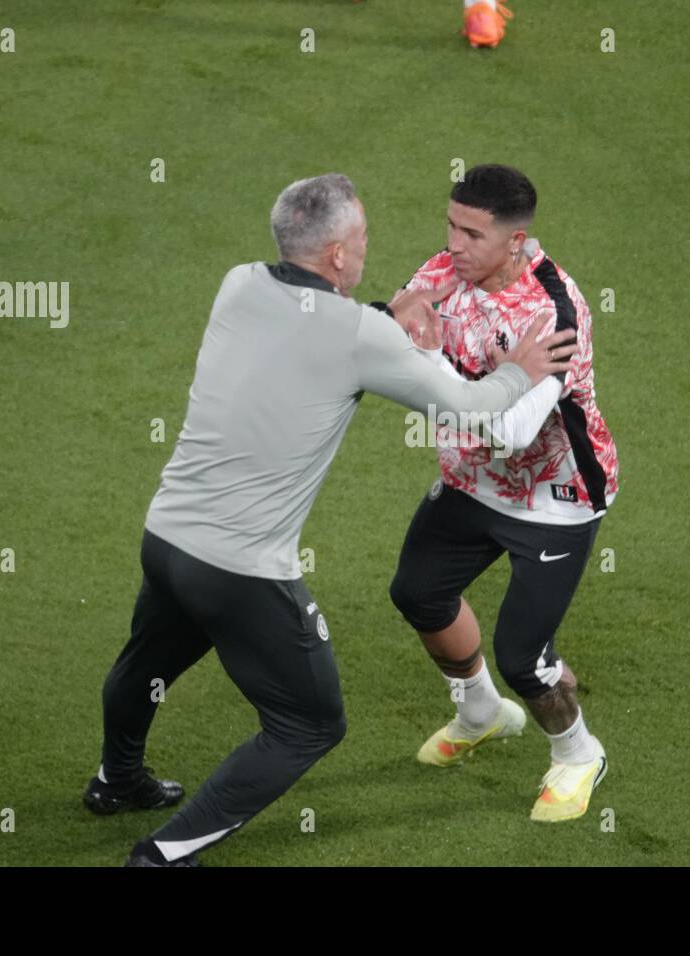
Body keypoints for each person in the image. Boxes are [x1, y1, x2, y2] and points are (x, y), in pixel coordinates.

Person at [82, 173, 578, 865]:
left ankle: (117, 779)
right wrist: (521, 370)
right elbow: (473, 411)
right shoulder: (360, 334)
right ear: (339, 256)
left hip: (167, 539)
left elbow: (310, 334)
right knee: (309, 724)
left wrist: (384, 317)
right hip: (241, 573)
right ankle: (163, 856)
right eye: (363, 238)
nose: (370, 247)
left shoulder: (239, 282)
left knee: (146, 664)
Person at [389, 164, 619, 822]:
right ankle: (482, 712)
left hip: (555, 497)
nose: (452, 246)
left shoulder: (556, 314)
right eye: (450, 226)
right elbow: (391, 326)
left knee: (525, 657)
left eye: (471, 234)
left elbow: (513, 433)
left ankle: (578, 754)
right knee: (418, 593)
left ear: (516, 241)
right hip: (471, 481)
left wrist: (427, 363)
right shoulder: (446, 270)